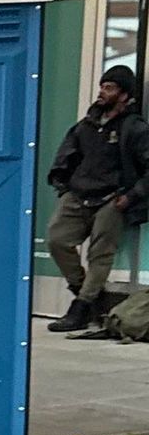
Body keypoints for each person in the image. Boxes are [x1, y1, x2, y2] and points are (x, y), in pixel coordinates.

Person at [45, 64, 149, 332]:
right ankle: (89, 296)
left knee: (100, 254)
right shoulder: (87, 124)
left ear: (125, 95)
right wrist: (63, 187)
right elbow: (67, 157)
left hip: (113, 199)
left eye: (110, 88)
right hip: (78, 194)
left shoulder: (134, 128)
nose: (102, 92)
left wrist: (131, 196)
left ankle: (80, 308)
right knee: (57, 239)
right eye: (102, 86)